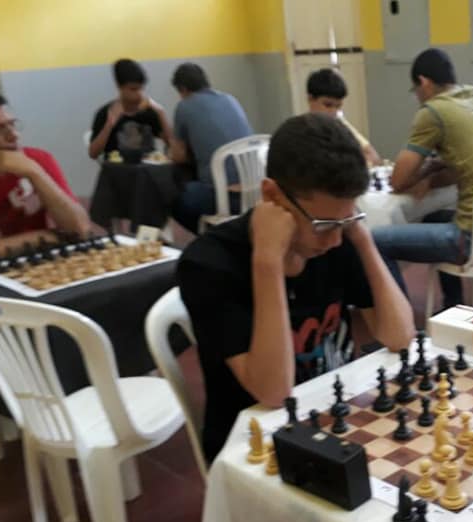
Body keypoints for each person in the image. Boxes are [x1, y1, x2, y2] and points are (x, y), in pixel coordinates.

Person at [178, 113, 415, 462]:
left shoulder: (339, 235)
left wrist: (362, 239)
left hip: (335, 418)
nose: (334, 240)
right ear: (272, 195)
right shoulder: (208, 263)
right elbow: (274, 392)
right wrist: (268, 263)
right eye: (323, 225)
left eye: (346, 220)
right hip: (256, 446)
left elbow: (400, 336)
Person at [371, 48, 473, 309]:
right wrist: (433, 174)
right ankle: (454, 305)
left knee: (376, 241)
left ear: (424, 81)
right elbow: (469, 166)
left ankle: (402, 323)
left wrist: (427, 170)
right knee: (431, 218)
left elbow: (398, 180)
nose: (416, 97)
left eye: (415, 89)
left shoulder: (433, 112)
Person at [0, 87, 89, 262]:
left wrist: (35, 173)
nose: (14, 135)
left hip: (38, 264)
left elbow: (80, 229)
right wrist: (40, 238)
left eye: (12, 124)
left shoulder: (37, 160)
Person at [169, 63, 254, 233]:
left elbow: (177, 156)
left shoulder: (184, 107)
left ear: (183, 89)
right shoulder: (230, 99)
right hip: (255, 190)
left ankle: (209, 236)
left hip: (224, 197)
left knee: (173, 197)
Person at [88, 58, 174, 162]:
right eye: (133, 89)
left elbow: (171, 144)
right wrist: (109, 125)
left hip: (147, 172)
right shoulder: (105, 113)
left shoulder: (149, 111)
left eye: (141, 89)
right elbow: (93, 153)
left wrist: (160, 112)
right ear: (119, 87)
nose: (139, 94)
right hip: (118, 173)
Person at [306, 67, 380, 167]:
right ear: (310, 99)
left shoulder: (340, 125)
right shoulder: (298, 130)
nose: (333, 112)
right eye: (327, 105)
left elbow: (373, 157)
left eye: (338, 106)